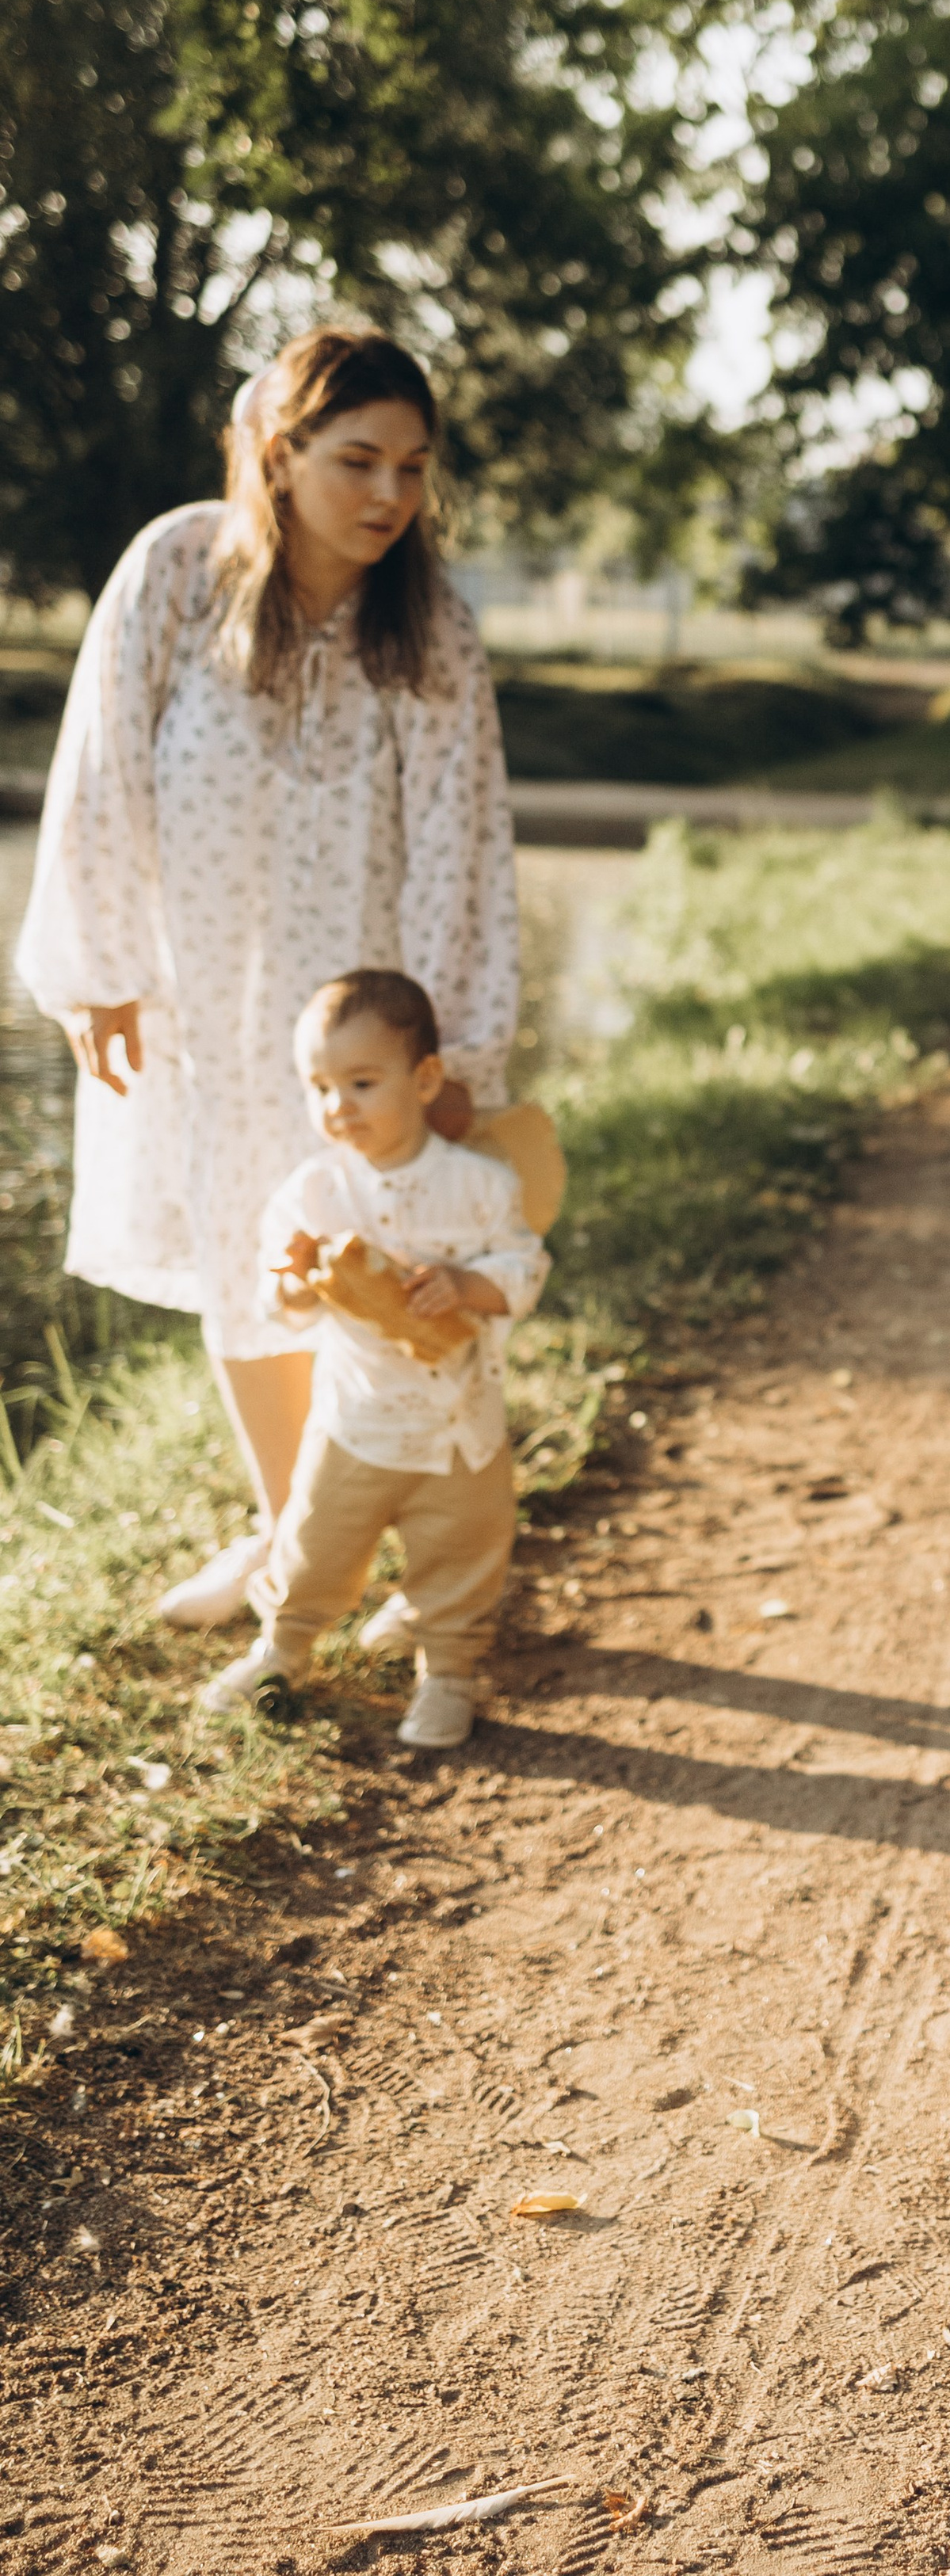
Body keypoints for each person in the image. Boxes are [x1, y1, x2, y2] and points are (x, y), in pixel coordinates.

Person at [15, 327, 521, 1627]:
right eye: (357, 460)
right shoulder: (178, 570)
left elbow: (465, 840)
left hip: (365, 1012)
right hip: (209, 998)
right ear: (277, 453)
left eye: (413, 467)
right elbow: (103, 766)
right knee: (259, 1258)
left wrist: (453, 1048)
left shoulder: (430, 625)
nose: (389, 497)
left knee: (401, 1268)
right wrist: (101, 968)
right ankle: (289, 1538)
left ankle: (410, 1549)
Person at [198, 968, 547, 1749]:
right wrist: (292, 1281)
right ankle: (280, 1650)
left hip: (462, 1426)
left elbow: (526, 1268)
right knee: (315, 1543)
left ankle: (448, 1670)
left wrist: (469, 1284)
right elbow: (277, 1303)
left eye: (360, 1082)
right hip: (356, 1420)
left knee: (461, 1552)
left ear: (425, 1078)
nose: (336, 1107)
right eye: (318, 1087)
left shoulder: (481, 1185)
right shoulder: (311, 1194)